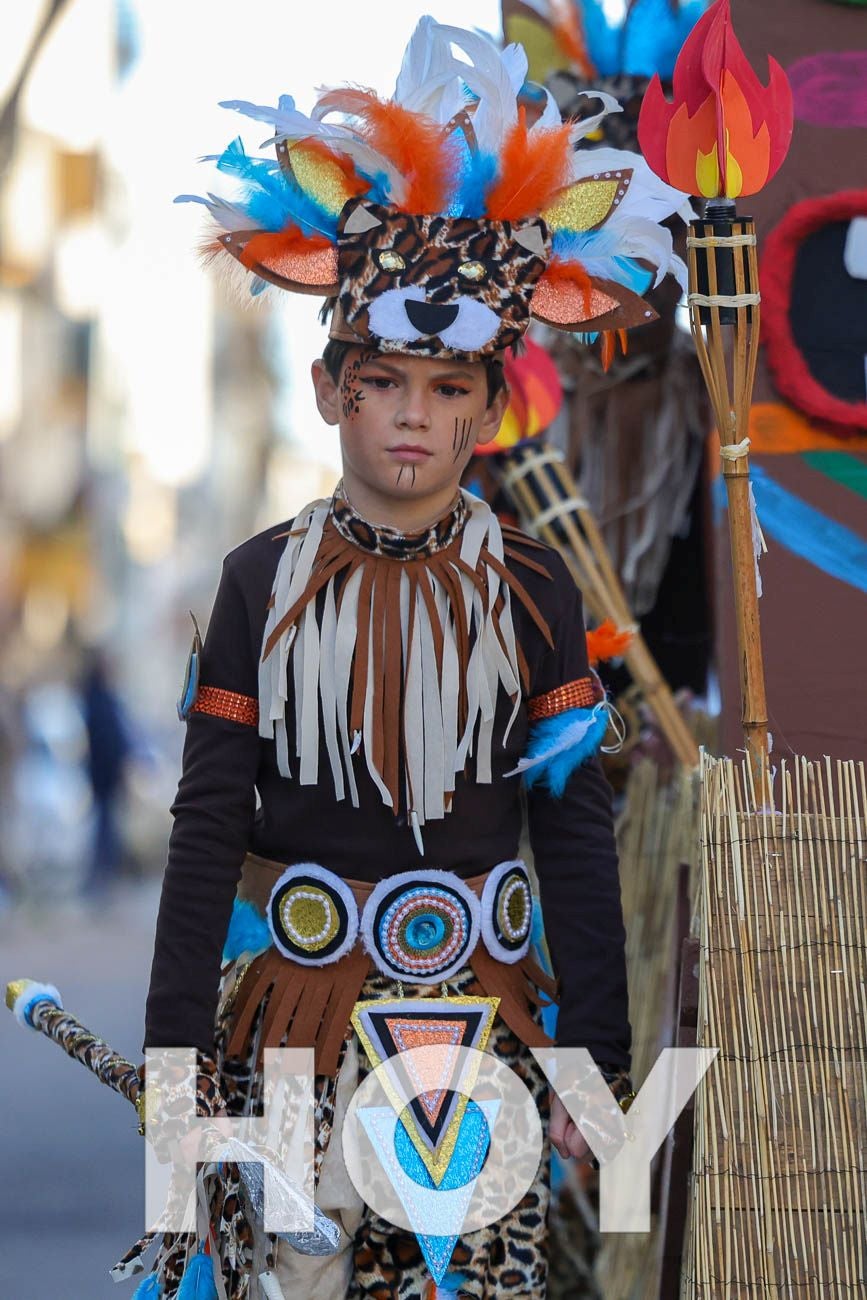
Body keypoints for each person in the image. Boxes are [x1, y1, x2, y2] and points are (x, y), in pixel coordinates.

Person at [113, 18, 688, 1299]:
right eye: (386, 383)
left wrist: (591, 1060)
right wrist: (172, 1067)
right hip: (285, 1028)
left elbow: (574, 825)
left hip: (482, 1029)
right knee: (293, 1287)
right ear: (332, 391)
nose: (416, 415)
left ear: (489, 406)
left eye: (446, 387)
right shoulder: (259, 580)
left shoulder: (536, 585)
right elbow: (208, 824)